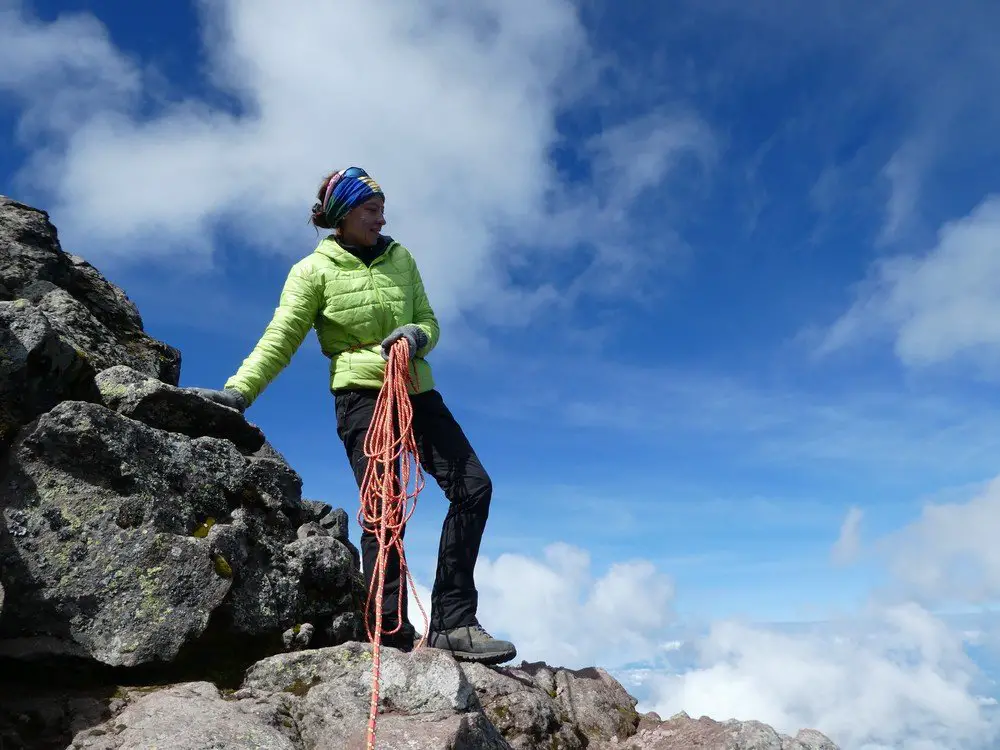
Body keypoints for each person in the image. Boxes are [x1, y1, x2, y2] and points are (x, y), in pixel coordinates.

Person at [188, 167, 516, 665]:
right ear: (342, 215)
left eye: (382, 208)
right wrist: (239, 392)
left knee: (474, 487)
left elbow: (429, 320)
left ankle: (454, 623)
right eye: (370, 209)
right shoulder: (313, 270)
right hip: (361, 397)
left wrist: (416, 336)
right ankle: (387, 630)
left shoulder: (400, 257)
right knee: (384, 511)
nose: (381, 217)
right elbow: (283, 335)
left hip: (416, 388)